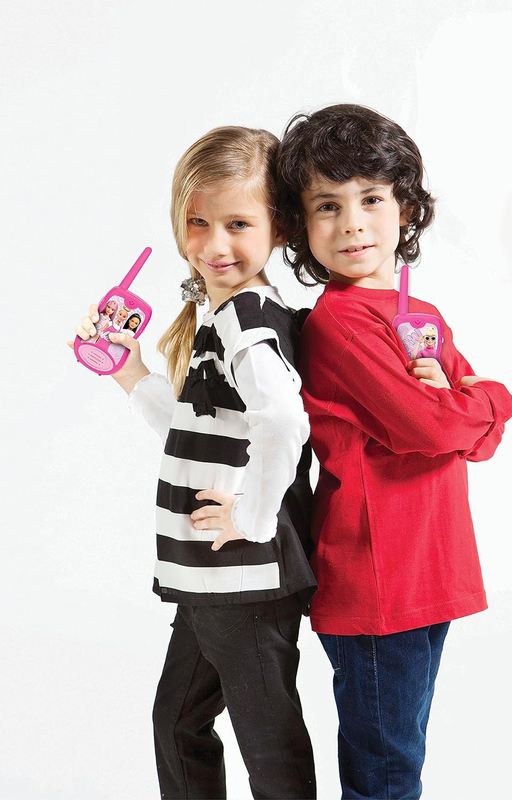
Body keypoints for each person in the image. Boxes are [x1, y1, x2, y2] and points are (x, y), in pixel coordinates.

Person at [70, 126, 317, 800]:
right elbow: (195, 427)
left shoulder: (246, 320)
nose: (214, 244)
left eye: (238, 224)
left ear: (279, 227)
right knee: (178, 722)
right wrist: (129, 369)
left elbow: (284, 422)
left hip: (243, 577)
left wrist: (253, 519)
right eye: (198, 222)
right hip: (212, 577)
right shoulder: (222, 315)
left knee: (267, 745)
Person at [276, 104, 512, 800]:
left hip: (429, 568)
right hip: (379, 580)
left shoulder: (420, 316)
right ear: (300, 225)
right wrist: (491, 398)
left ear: (405, 207)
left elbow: (479, 438)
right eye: (328, 205)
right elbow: (436, 429)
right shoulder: (340, 324)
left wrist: (471, 407)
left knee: (399, 756)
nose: (352, 222)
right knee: (386, 771)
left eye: (371, 199)